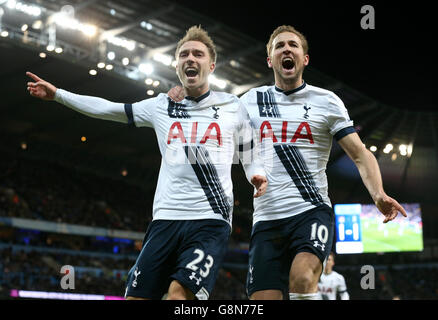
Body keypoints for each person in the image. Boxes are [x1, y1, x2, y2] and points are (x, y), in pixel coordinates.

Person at [26, 25, 267, 300]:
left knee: (179, 297)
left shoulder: (233, 106)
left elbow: (250, 150)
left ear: (211, 65)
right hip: (164, 219)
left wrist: (256, 174)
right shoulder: (161, 106)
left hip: (209, 220)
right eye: (184, 54)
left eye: (198, 54)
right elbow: (109, 108)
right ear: (176, 65)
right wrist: (58, 94)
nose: (190, 58)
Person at [169, 25, 407, 300]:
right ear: (270, 60)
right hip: (266, 219)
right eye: (279, 46)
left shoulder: (327, 102)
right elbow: (210, 126)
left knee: (303, 278)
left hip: (311, 211)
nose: (286, 49)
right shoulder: (248, 101)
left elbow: (360, 154)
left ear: (304, 58)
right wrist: (182, 97)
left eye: (293, 45)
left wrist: (378, 194)